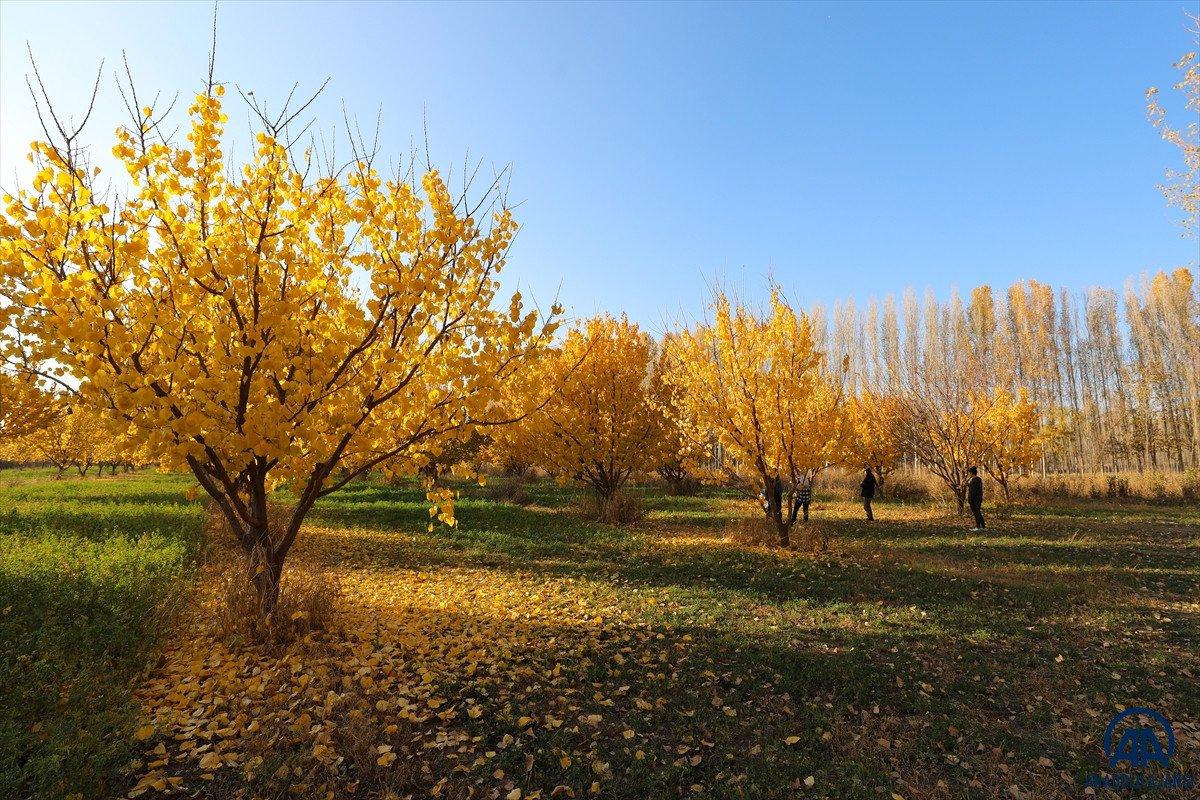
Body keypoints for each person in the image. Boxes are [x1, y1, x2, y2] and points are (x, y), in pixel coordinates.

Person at [966, 466, 985, 530]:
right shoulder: (978, 479)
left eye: (969, 473)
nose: (968, 474)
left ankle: (978, 527)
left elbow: (973, 491)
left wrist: (970, 500)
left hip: (974, 500)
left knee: (976, 513)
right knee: (978, 512)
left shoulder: (974, 480)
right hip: (978, 499)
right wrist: (968, 484)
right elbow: (974, 488)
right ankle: (983, 526)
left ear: (971, 473)